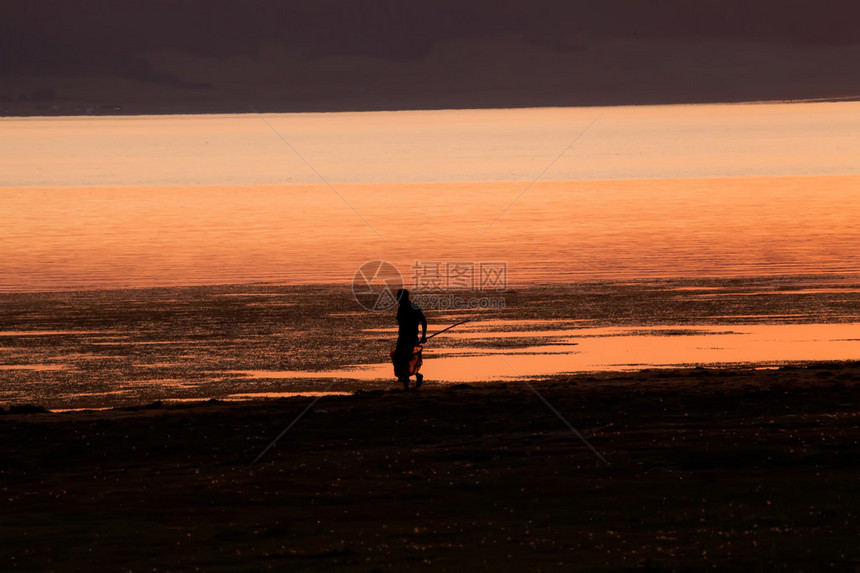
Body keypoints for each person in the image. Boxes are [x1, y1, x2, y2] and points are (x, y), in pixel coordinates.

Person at [391, 288, 427, 390]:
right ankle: (409, 380)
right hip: (402, 338)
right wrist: (423, 336)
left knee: (406, 360)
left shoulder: (412, 307)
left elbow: (423, 321)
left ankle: (408, 384)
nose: (397, 299)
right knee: (401, 359)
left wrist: (423, 336)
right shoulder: (401, 308)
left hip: (410, 338)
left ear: (403, 297)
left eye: (398, 297)